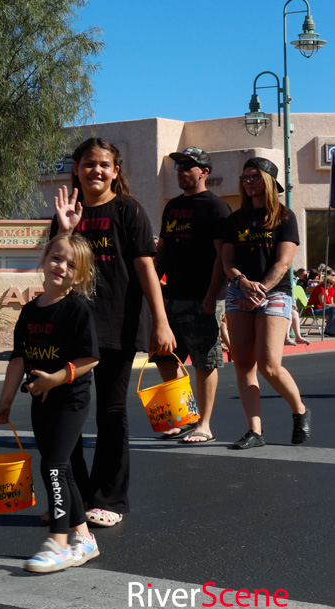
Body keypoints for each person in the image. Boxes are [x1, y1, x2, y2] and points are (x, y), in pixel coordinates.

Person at [51, 137, 176, 529]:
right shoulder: (66, 212)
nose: (96, 171)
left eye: (104, 164)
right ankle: (73, 499)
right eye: (89, 164)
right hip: (72, 328)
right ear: (76, 169)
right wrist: (65, 230)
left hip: (117, 326)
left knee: (111, 412)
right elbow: (55, 266)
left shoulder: (128, 210)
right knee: (65, 413)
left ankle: (109, 497)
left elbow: (145, 269)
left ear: (115, 171)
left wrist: (161, 321)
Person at [0, 233, 100, 573]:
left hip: (70, 400)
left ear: (80, 276)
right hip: (41, 400)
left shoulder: (77, 310)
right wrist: (5, 401)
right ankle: (84, 537)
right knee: (58, 467)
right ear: (44, 259)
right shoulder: (28, 312)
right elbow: (18, 360)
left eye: (71, 265)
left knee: (53, 466)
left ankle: (59, 542)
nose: (61, 267)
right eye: (56, 258)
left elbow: (90, 358)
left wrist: (56, 378)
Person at [222, 157, 310, 449]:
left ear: (270, 181)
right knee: (244, 365)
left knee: (269, 365)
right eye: (245, 177)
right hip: (239, 291)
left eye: (255, 176)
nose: (248, 181)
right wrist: (242, 283)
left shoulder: (284, 217)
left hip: (274, 293)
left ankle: (299, 410)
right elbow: (227, 261)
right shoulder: (235, 220)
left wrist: (259, 292)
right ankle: (255, 431)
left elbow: (283, 263)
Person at [151, 147, 231, 443]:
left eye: (188, 165)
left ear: (204, 172)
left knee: (204, 362)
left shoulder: (217, 207)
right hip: (171, 296)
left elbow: (222, 257)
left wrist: (212, 297)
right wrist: (153, 281)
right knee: (164, 358)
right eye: (178, 166)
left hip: (203, 298)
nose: (181, 170)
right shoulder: (172, 206)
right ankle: (185, 416)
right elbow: (163, 251)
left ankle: (204, 425)